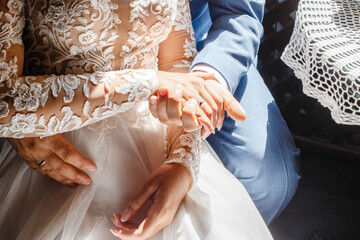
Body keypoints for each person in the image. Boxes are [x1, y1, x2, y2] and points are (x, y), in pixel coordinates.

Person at [0, 0, 272, 239]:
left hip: (155, 133)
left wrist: (183, 162)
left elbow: (177, 62)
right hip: (57, 137)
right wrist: (148, 83)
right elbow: (3, 99)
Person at [149, 0, 301, 224]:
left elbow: (239, 14)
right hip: (92, 69)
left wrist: (208, 78)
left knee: (269, 178)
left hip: (199, 44)